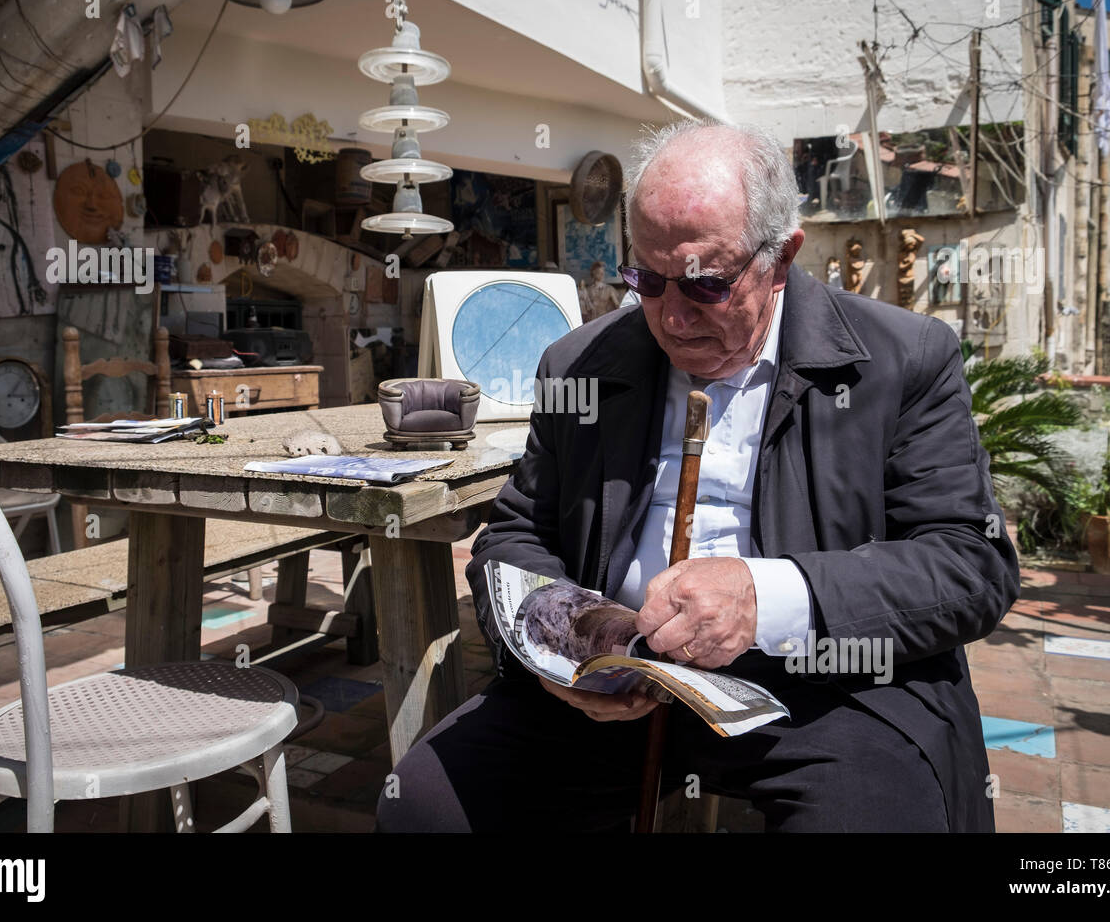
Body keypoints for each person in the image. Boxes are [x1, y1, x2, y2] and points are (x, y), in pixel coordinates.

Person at [376, 120, 1020, 832]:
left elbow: (970, 563)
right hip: (621, 676)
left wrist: (768, 595)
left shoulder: (902, 360)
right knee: (427, 809)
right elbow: (516, 533)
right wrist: (570, 628)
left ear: (781, 258)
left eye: (707, 284)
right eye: (647, 280)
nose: (673, 317)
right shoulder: (579, 365)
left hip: (830, 684)